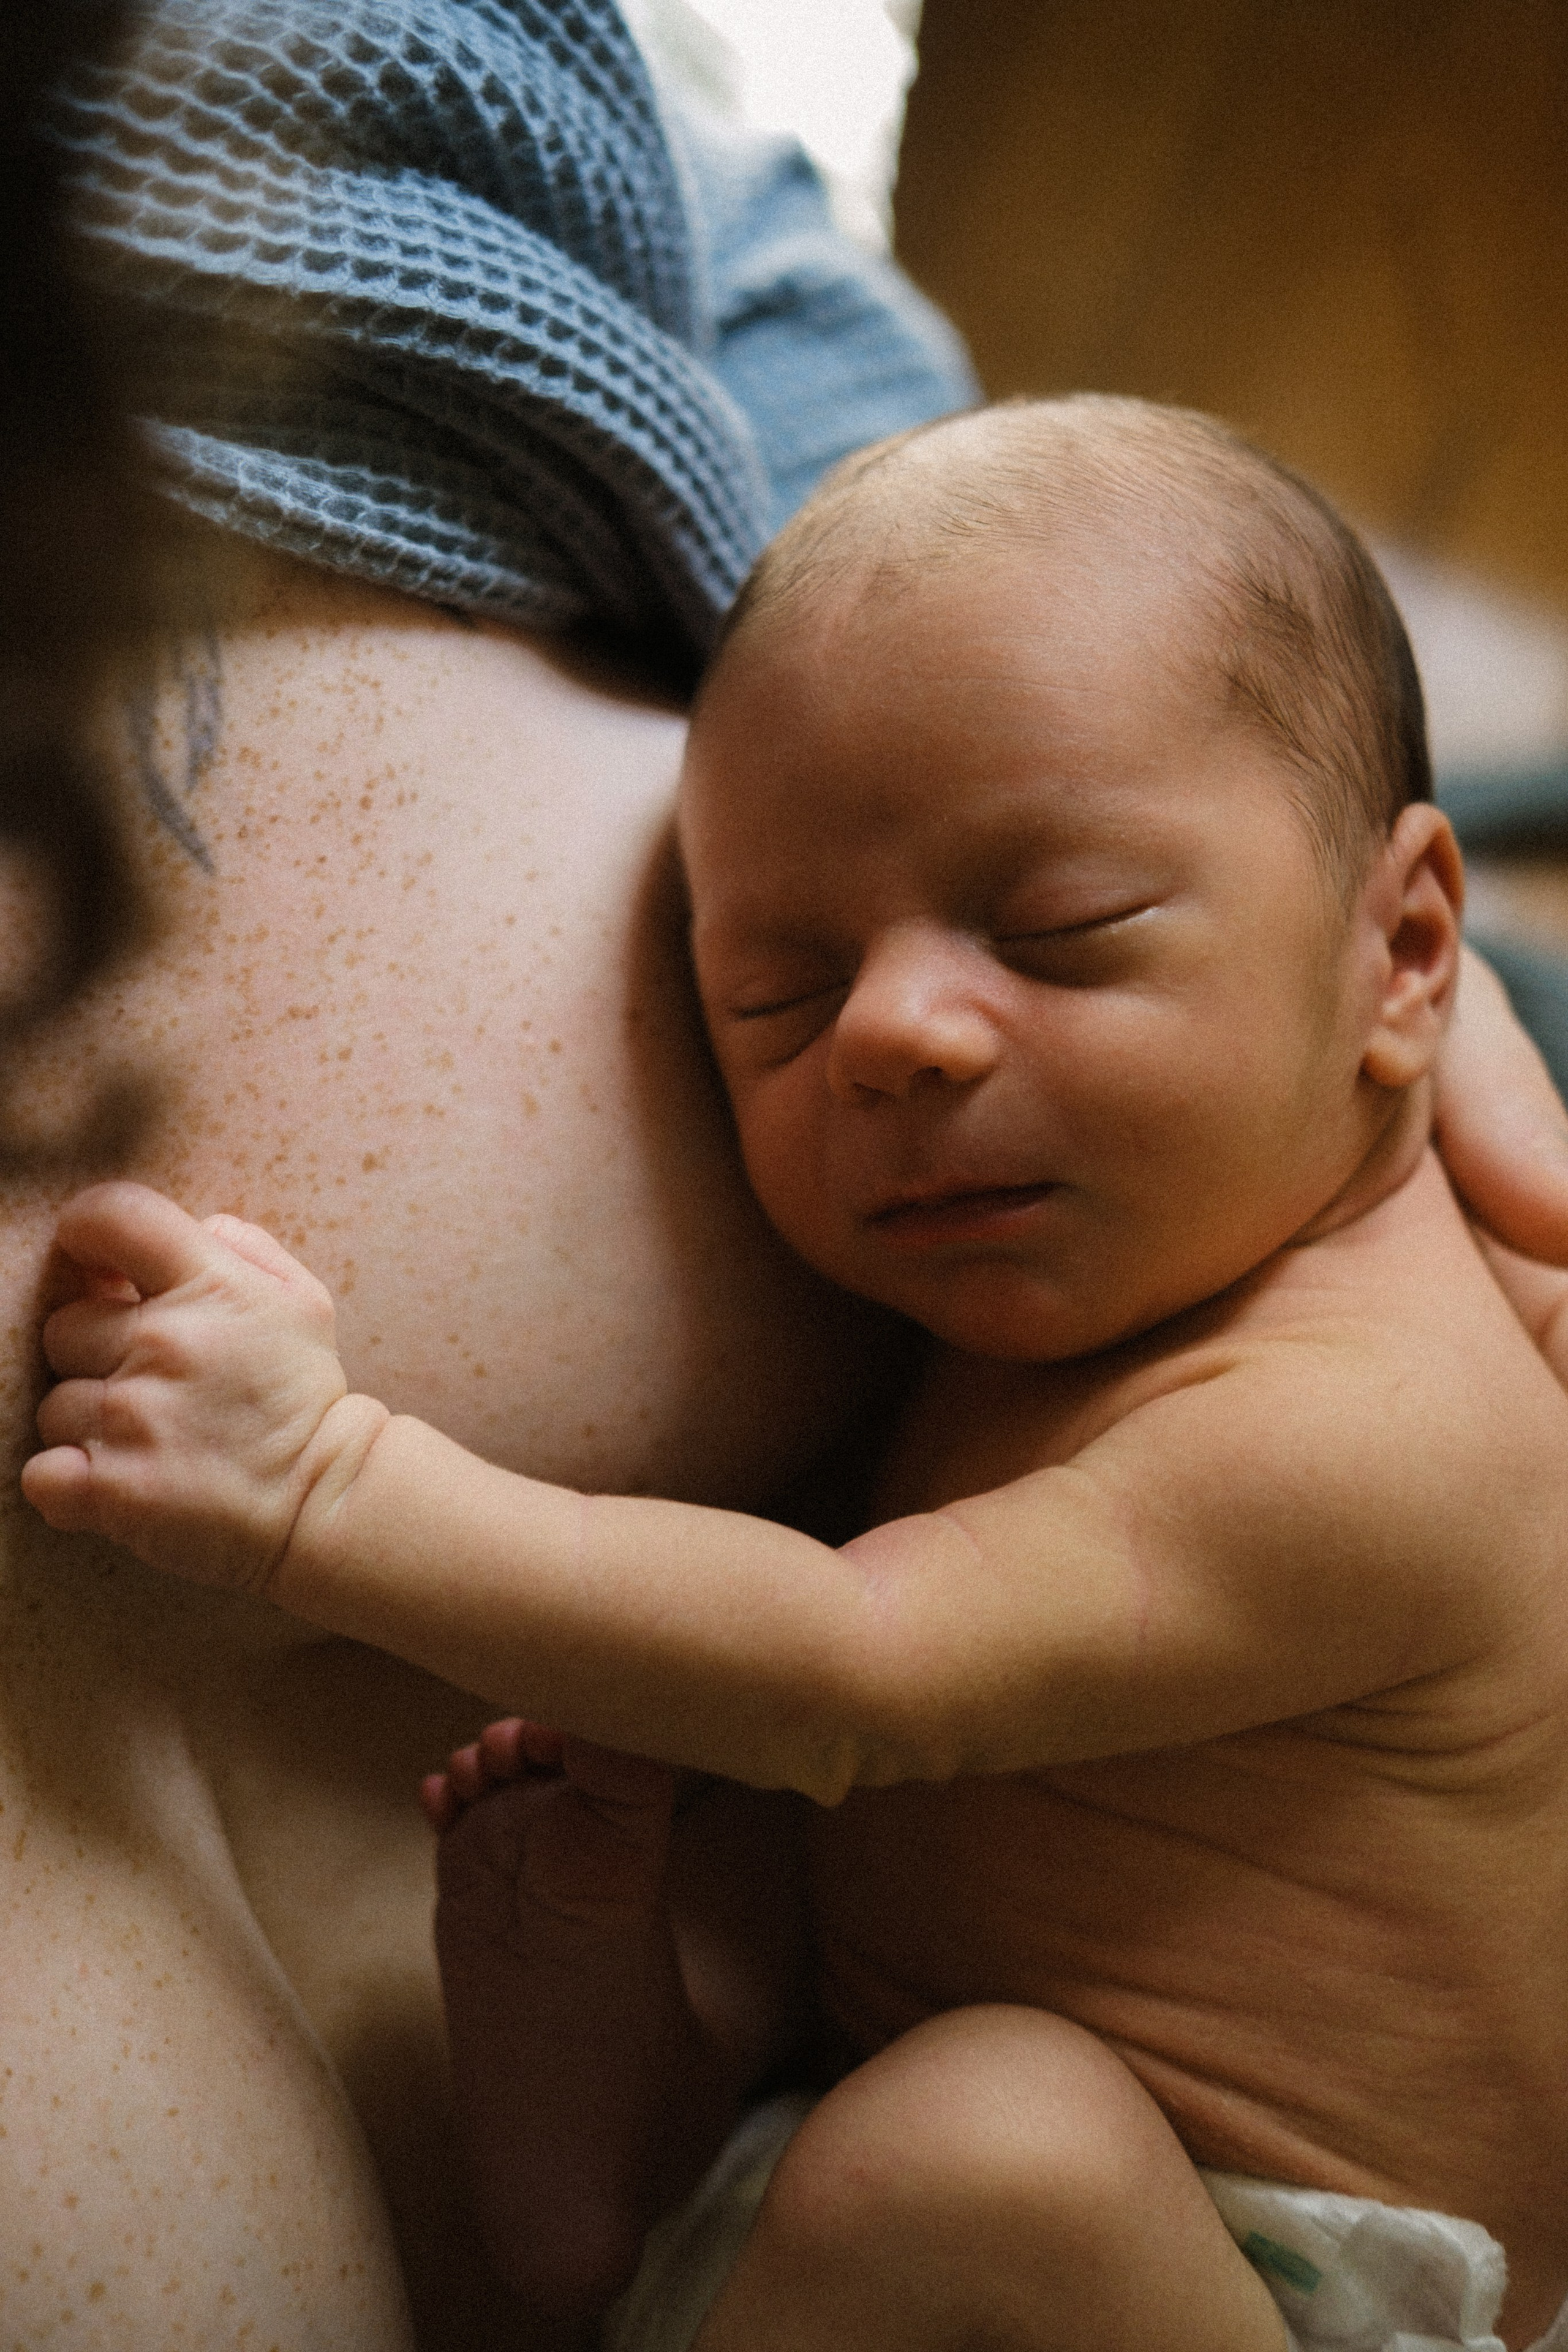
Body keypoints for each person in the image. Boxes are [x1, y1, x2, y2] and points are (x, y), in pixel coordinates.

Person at [24, 397, 1568, 2352]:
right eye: (779, 992)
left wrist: (326, 1485)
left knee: (994, 2146)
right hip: (896, 2167)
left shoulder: (1381, 1427)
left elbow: (857, 1670)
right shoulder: (1151, 1278)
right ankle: (608, 2188)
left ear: (1411, 949)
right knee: (695, 1941)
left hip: (1283, 2290)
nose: (896, 1035)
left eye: (1061, 934)